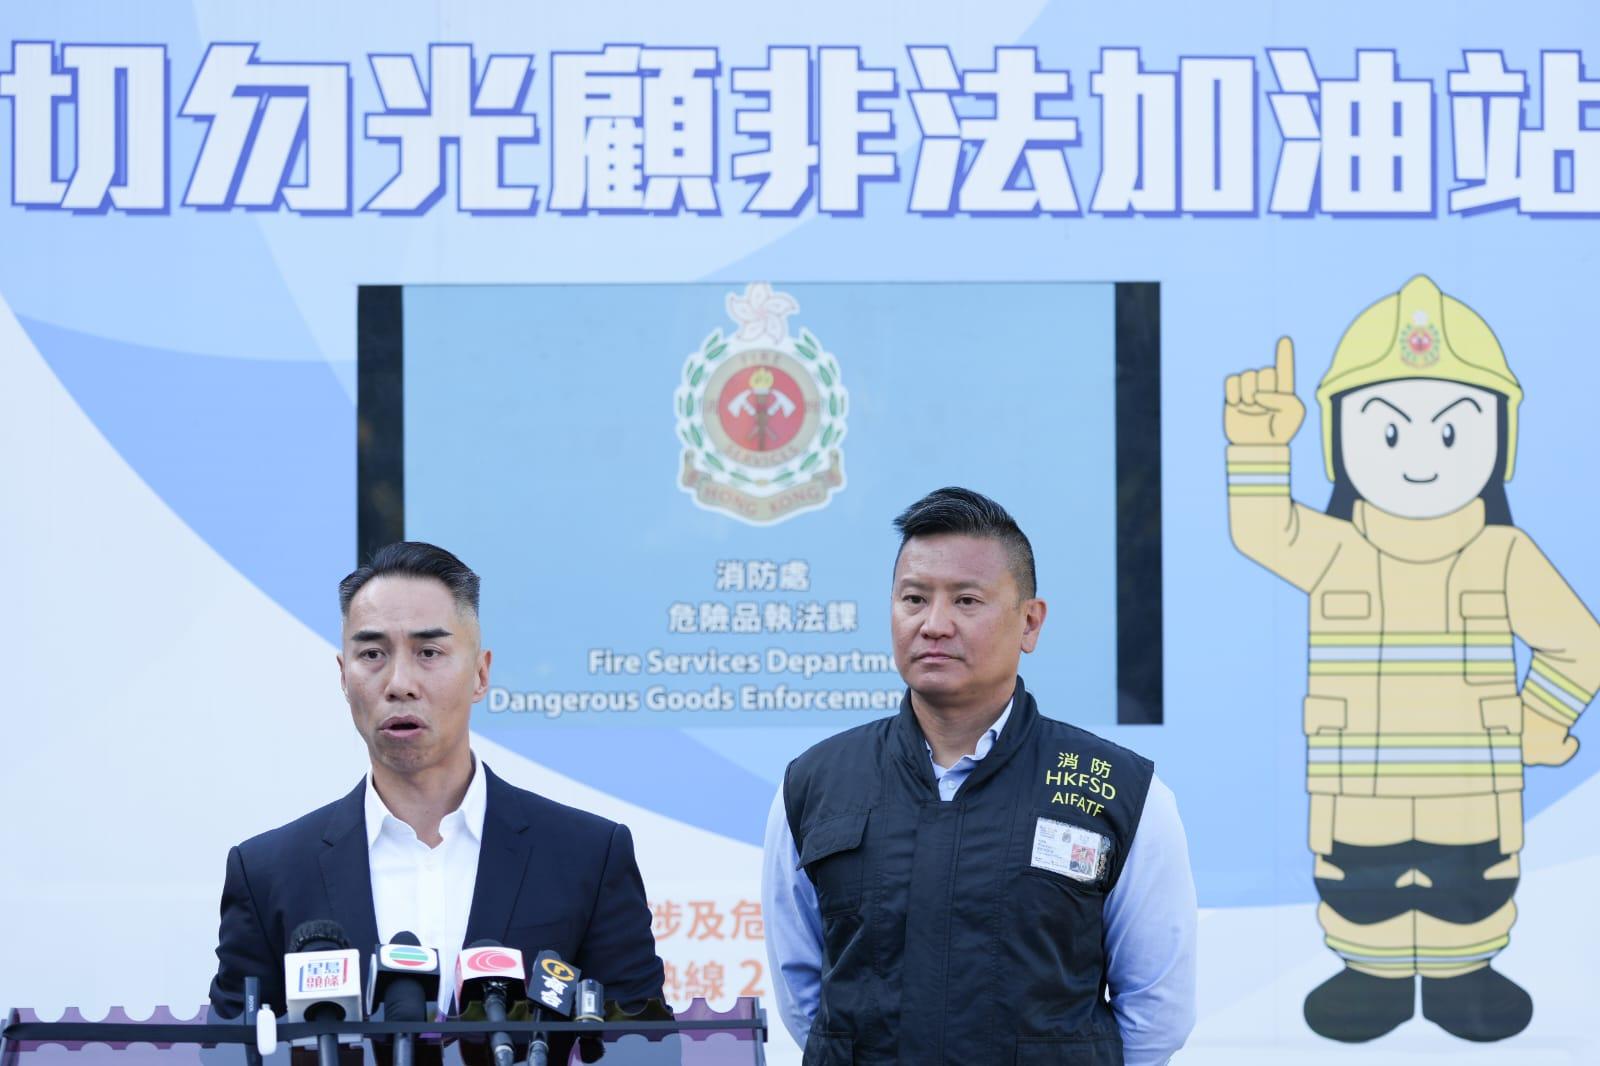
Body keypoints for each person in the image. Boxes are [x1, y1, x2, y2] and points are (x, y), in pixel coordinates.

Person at [1223, 275, 1599, 1043]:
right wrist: (1259, 447)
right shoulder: (1331, 547)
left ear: (1498, 441)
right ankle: (1374, 975)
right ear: (1341, 443)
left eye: (1452, 432)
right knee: (1362, 885)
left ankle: (1467, 974)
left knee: (1475, 881)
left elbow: (1579, 642)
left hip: (1473, 790)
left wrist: (1538, 719)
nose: (1421, 457)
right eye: (1389, 432)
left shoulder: (1503, 553)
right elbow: (1261, 530)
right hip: (1358, 791)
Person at [761, 488, 1197, 1065]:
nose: (934, 624)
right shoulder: (816, 783)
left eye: (966, 600)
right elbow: (804, 999)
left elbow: (1158, 1013)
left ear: (1030, 623)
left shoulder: (1120, 792)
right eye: (914, 599)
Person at [209, 541, 664, 1025]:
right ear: (343, 676)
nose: (399, 683)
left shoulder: (587, 857)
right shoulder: (269, 873)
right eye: (372, 653)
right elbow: (229, 1051)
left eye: (429, 652)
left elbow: (645, 1044)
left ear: (480, 674)